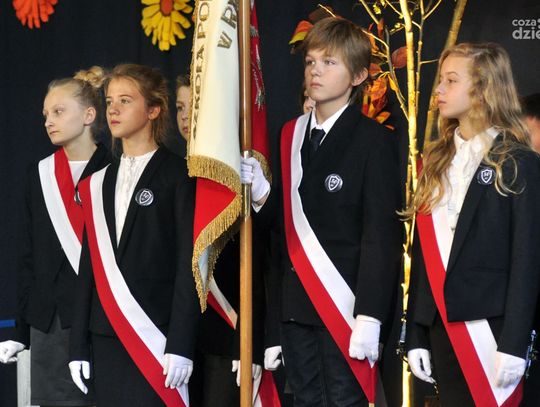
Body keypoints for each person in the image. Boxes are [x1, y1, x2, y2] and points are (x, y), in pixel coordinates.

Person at [243, 17, 402, 406]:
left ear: (358, 76)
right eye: (311, 61)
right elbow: (283, 236)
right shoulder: (290, 134)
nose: (315, 71)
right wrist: (263, 195)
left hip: (344, 307)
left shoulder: (374, 141)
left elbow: (380, 237)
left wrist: (370, 315)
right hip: (297, 308)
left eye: (330, 62)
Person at [405, 43, 540, 406]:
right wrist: (415, 331)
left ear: (483, 90)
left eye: (451, 80)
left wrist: (515, 343)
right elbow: (424, 256)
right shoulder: (435, 160)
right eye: (441, 80)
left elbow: (527, 260)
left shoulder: (519, 161)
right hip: (441, 327)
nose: (439, 89)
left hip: (492, 331)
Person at [68, 64, 200, 407]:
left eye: (125, 101)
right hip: (105, 336)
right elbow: (88, 268)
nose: (113, 109)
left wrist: (181, 343)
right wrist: (77, 344)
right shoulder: (98, 181)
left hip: (156, 335)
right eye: (110, 101)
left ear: (153, 109)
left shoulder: (180, 174)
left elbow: (189, 265)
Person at [0, 67, 109, 406]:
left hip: (102, 321)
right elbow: (28, 257)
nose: (48, 121)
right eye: (46, 114)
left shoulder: (115, 169)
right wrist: (21, 331)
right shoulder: (40, 174)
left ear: (89, 115)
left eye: (59, 111)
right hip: (49, 322)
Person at [174, 73, 265, 407]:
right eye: (180, 107)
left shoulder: (240, 175)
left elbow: (260, 267)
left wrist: (252, 340)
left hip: (230, 333)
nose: (186, 116)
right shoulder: (176, 175)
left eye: (195, 107)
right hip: (185, 337)